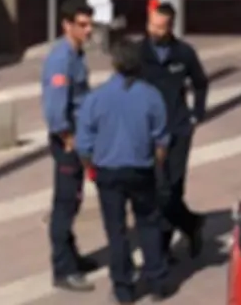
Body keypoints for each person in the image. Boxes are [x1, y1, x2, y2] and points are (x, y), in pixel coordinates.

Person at [75, 40, 175, 303]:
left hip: (107, 172)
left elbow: (84, 145)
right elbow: (162, 141)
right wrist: (157, 167)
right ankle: (157, 281)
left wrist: (90, 170)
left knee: (116, 230)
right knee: (149, 224)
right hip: (141, 170)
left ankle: (123, 287)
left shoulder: (95, 98)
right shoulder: (151, 96)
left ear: (115, 64)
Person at [140, 2, 207, 259]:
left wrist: (196, 114)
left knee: (174, 188)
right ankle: (191, 223)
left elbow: (200, 83)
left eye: (161, 27)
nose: (155, 31)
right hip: (148, 133)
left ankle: (163, 248)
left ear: (171, 26)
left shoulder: (184, 53)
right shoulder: (138, 53)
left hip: (178, 129)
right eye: (152, 25)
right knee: (157, 189)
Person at [41, 0, 98, 292]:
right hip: (68, 141)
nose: (88, 30)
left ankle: (72, 256)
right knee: (64, 205)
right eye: (82, 24)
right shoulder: (61, 59)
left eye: (90, 24)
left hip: (78, 137)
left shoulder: (76, 54)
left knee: (73, 200)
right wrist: (68, 138)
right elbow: (55, 108)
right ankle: (63, 270)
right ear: (66, 25)